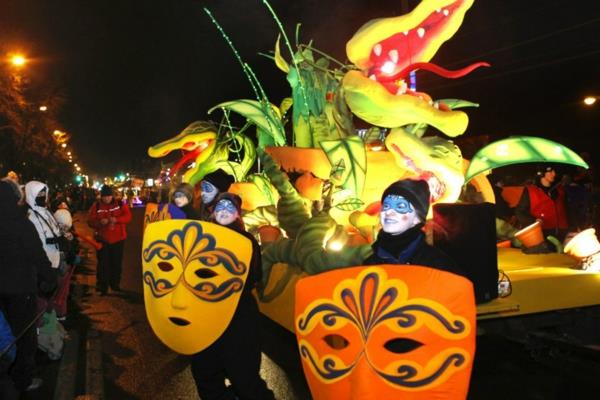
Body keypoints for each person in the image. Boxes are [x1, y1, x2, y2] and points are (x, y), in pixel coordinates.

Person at [190, 193, 275, 400]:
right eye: (220, 206)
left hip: (238, 316)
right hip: (206, 313)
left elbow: (254, 276)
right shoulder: (202, 238)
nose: (224, 211)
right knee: (206, 374)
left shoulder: (246, 241)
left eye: (230, 207)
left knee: (245, 378)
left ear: (237, 213)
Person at [0, 179, 56, 395]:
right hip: (20, 290)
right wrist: (49, 277)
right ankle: (21, 380)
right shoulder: (21, 223)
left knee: (3, 336)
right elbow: (37, 254)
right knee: (24, 338)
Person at [364, 179, 464, 276]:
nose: (389, 212)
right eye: (386, 206)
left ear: (417, 218)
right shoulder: (368, 266)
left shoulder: (439, 266)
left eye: (400, 207)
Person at [88, 185, 132, 295]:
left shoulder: (120, 204)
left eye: (108, 196)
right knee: (103, 264)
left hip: (118, 239)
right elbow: (90, 221)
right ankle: (102, 286)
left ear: (112, 196)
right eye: (104, 196)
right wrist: (99, 222)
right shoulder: (96, 206)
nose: (107, 198)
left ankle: (115, 284)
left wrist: (117, 219)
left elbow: (128, 217)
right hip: (102, 240)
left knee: (116, 263)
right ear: (101, 197)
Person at [515, 165, 568, 241]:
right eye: (550, 171)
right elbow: (520, 211)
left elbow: (567, 210)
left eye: (554, 171)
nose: (554, 174)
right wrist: (533, 221)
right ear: (542, 173)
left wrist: (574, 227)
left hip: (563, 232)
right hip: (542, 233)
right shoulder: (530, 191)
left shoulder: (560, 189)